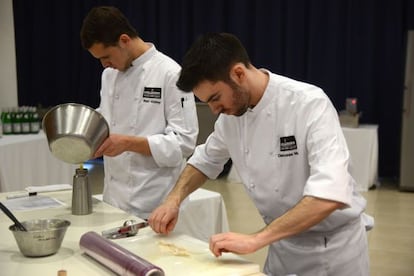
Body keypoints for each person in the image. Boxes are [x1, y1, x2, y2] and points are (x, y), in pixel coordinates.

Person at [148, 32, 372, 275]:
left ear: (238, 74)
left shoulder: (308, 103)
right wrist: (173, 200)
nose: (214, 111)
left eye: (215, 98)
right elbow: (204, 161)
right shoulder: (231, 117)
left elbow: (329, 194)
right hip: (281, 246)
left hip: (330, 251)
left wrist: (256, 239)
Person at [79, 6, 198, 219]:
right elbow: (107, 117)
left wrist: (128, 143)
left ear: (124, 40)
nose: (104, 64)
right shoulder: (109, 75)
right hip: (113, 200)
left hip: (155, 204)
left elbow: (184, 143)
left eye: (106, 56)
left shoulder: (170, 73)